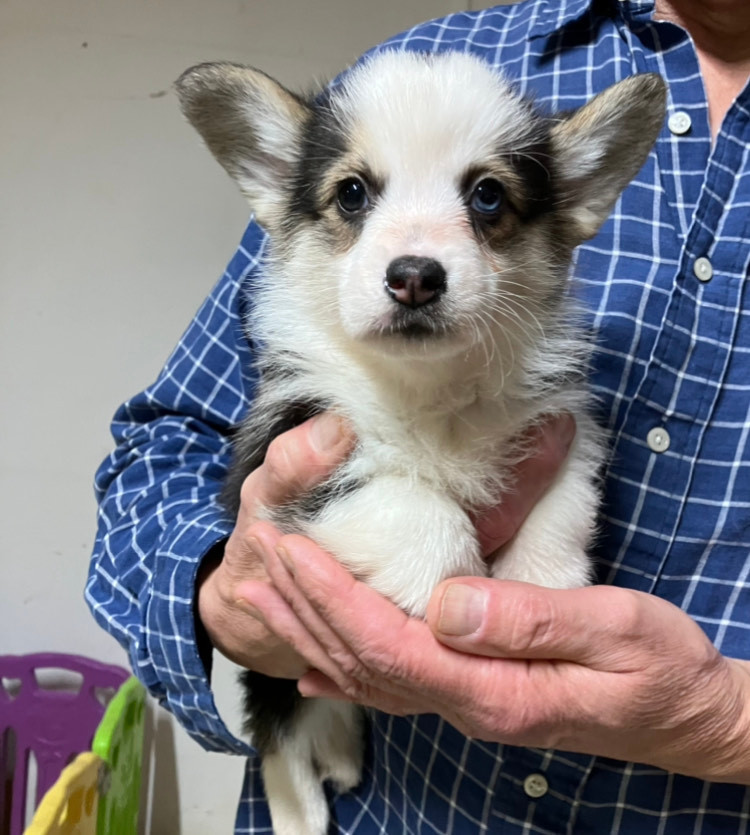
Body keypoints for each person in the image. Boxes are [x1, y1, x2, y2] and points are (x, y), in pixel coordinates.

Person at [86, 0, 750, 831]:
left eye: (486, 198)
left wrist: (726, 719)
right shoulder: (428, 56)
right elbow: (162, 449)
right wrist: (224, 600)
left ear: (574, 203)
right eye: (353, 193)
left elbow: (569, 459)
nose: (415, 265)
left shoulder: (544, 348)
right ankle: (291, 734)